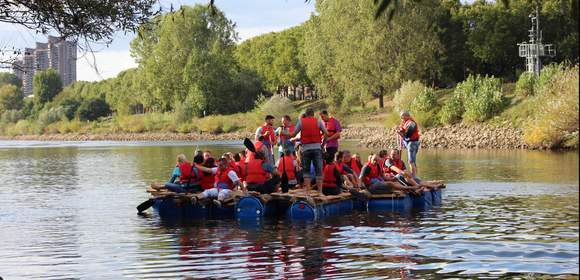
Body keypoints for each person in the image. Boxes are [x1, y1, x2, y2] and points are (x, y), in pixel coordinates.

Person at [291, 108, 329, 195]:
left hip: (306, 149)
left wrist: (284, 134)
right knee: (319, 171)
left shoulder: (301, 121)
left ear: (306, 114)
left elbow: (293, 134)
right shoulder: (318, 121)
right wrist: (323, 145)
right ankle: (320, 192)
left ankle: (308, 192)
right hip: (317, 148)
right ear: (313, 114)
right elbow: (326, 133)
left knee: (306, 171)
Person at [397, 111, 420, 176]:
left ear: (407, 116)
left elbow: (407, 135)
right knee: (413, 161)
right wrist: (400, 130)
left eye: (402, 116)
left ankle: (413, 177)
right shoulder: (405, 123)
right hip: (411, 143)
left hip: (412, 143)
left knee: (411, 161)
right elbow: (404, 131)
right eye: (401, 117)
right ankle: (414, 176)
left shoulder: (411, 123)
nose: (401, 118)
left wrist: (400, 133)